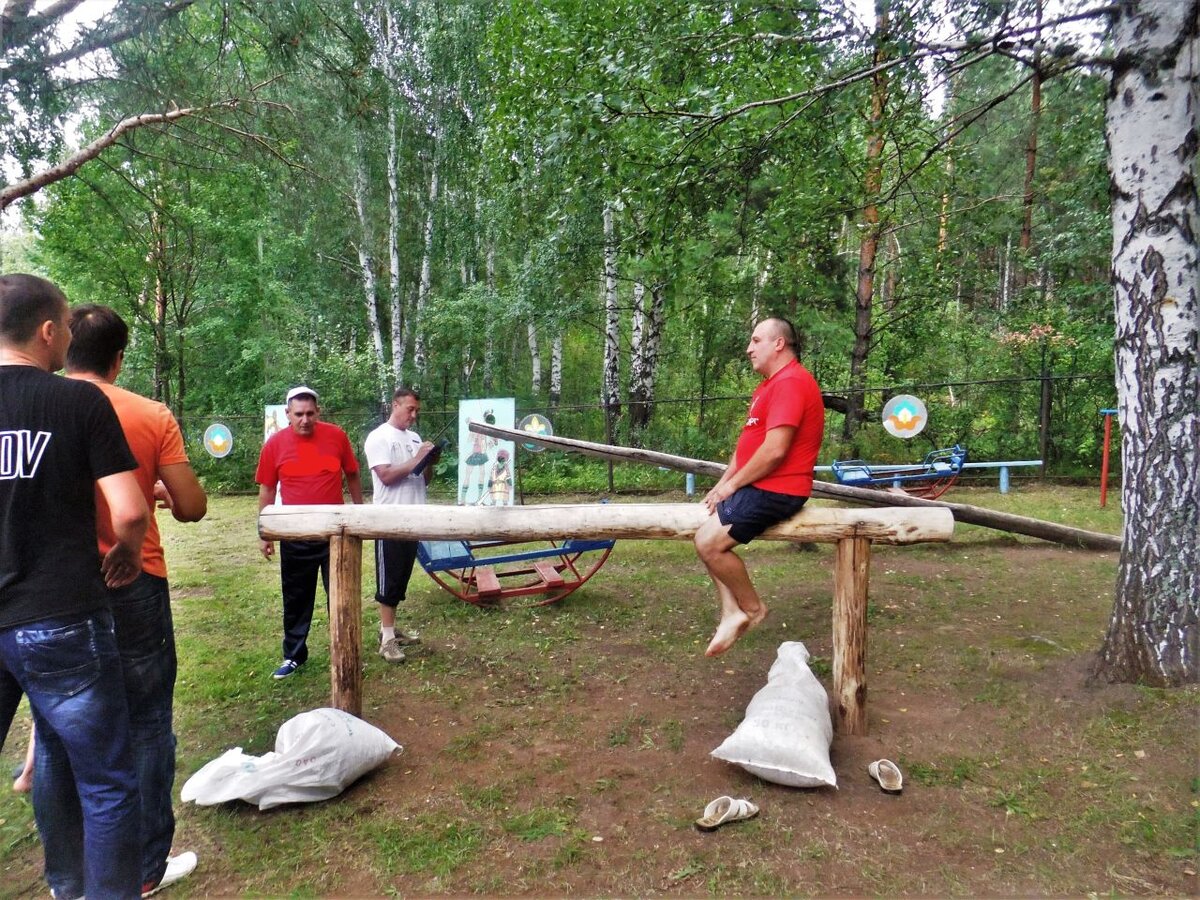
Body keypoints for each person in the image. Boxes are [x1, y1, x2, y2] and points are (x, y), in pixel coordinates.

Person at [24, 303, 208, 898]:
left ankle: (67, 877)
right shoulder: (148, 413)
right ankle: (147, 866)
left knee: (55, 734)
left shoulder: (36, 405)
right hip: (134, 582)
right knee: (149, 721)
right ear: (120, 356)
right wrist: (153, 485)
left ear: (64, 343)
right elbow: (192, 507)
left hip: (54, 590)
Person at [0, 273, 149, 898]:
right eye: (64, 324)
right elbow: (132, 507)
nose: (67, 336)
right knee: (107, 780)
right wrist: (127, 550)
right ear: (46, 330)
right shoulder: (80, 402)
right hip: (61, 616)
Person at [694, 316, 825, 657]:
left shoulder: (792, 382)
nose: (748, 348)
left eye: (756, 340)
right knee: (706, 533)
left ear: (779, 343)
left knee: (708, 543)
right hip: (760, 485)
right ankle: (730, 612)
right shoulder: (768, 386)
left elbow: (774, 450)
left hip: (779, 488)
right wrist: (722, 485)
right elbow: (747, 447)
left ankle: (752, 608)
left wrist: (732, 487)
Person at [256, 386, 363, 679]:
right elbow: (266, 488)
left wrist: (360, 514)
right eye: (299, 414)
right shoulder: (275, 444)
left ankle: (344, 651)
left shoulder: (336, 436)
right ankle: (294, 655)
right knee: (296, 598)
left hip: (335, 535)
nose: (305, 419)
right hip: (295, 534)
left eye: (310, 413)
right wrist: (264, 533)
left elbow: (352, 474)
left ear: (319, 412)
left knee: (341, 596)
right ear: (288, 414)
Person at [363, 387, 437, 663]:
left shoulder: (415, 438)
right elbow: (385, 476)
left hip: (414, 516)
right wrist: (417, 458)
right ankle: (387, 640)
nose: (414, 415)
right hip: (389, 519)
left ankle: (389, 630)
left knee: (402, 576)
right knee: (389, 578)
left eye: (417, 410)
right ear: (395, 405)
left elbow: (423, 480)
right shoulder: (378, 437)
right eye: (410, 409)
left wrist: (429, 462)